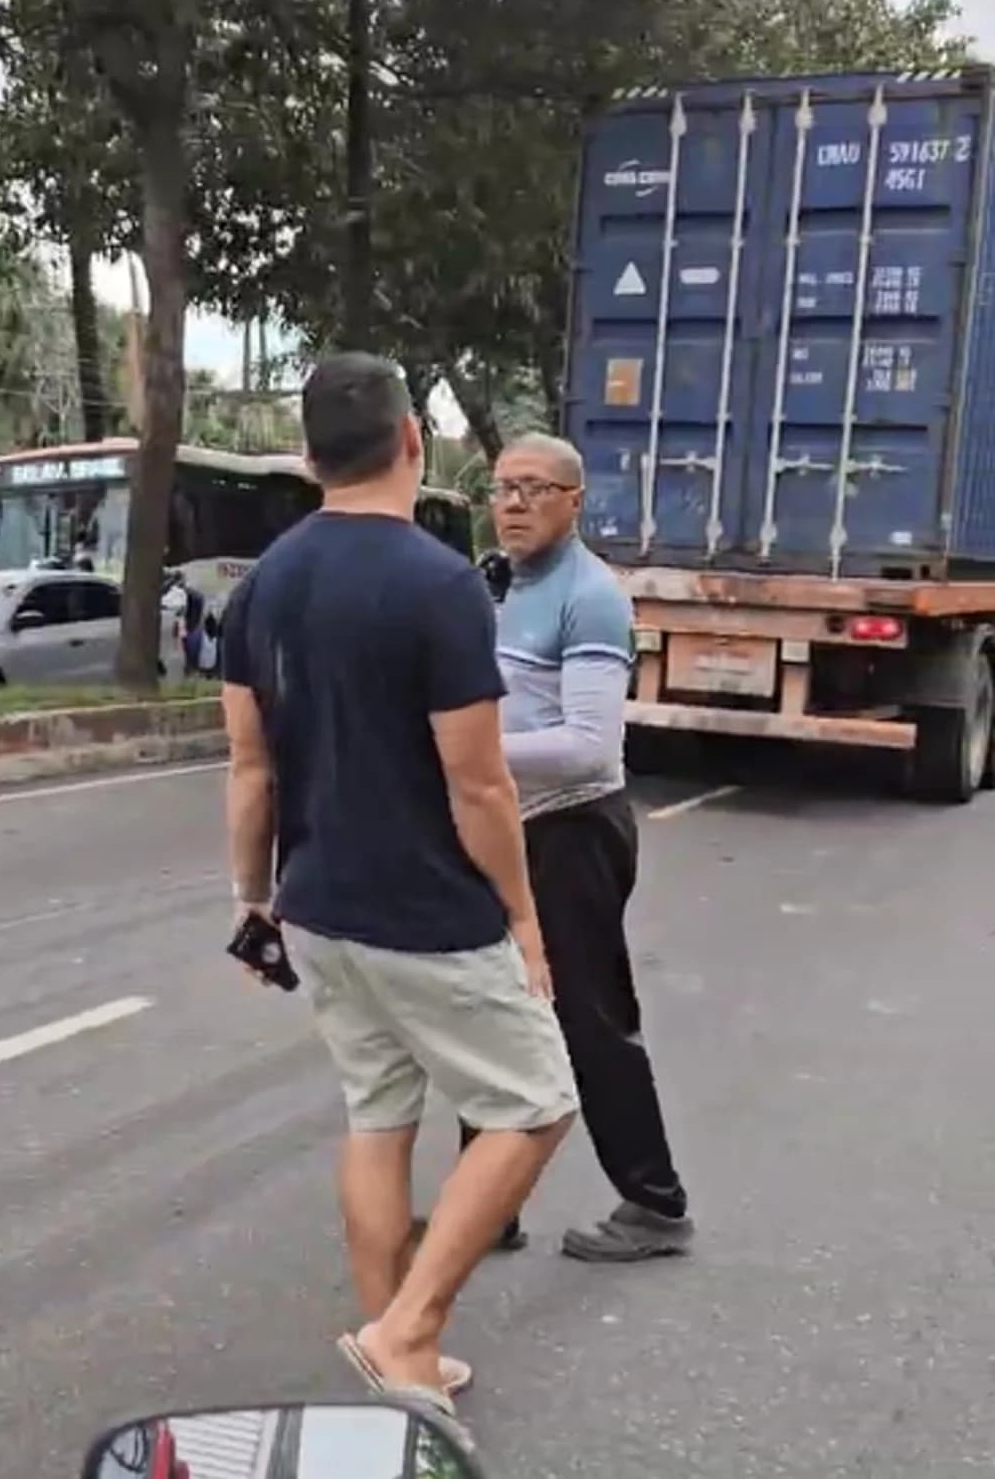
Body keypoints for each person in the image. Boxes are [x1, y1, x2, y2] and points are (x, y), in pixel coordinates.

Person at [218, 352, 576, 1419]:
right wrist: (521, 916)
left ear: (307, 454)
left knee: (378, 1114)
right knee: (535, 1102)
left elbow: (249, 770)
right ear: (412, 440)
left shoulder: (264, 581)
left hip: (317, 903)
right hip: (426, 912)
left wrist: (253, 899)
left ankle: (401, 1365)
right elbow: (478, 783)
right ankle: (408, 1329)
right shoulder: (438, 584)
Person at [453, 431, 692, 1264]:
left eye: (534, 489)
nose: (513, 504)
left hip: (574, 830)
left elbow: (589, 747)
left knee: (589, 1019)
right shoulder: (499, 584)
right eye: (502, 488)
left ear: (574, 500)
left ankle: (656, 1204)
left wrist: (461, 749)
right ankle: (489, 1207)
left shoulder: (590, 596)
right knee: (488, 1010)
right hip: (507, 829)